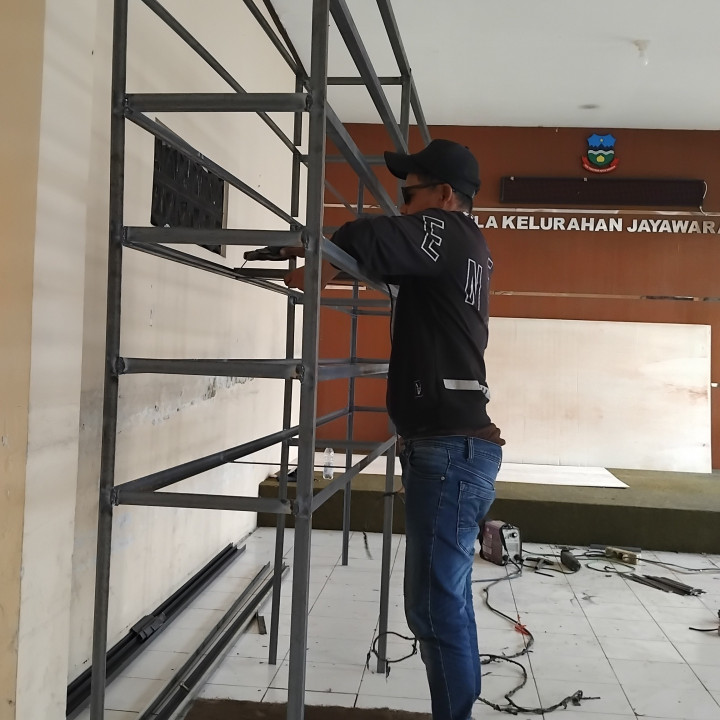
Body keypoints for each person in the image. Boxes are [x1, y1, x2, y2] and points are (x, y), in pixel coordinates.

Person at [285, 139, 504, 720]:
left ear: (445, 195)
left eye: (410, 196)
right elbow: (389, 249)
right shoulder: (468, 246)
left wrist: (325, 254)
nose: (403, 206)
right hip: (455, 447)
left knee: (432, 606)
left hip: (450, 450)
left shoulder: (447, 230)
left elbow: (373, 236)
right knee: (444, 600)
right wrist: (326, 261)